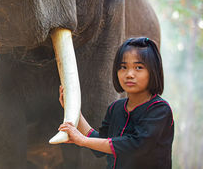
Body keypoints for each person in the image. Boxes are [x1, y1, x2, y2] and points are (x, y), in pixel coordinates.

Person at [58, 37, 174, 169]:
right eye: (123, 67)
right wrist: (75, 112)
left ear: (153, 71)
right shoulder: (115, 108)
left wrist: (83, 141)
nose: (129, 74)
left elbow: (136, 145)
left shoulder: (160, 109)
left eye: (138, 67)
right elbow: (101, 144)